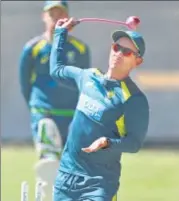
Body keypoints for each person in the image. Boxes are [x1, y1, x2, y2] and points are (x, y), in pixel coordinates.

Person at [50, 18, 149, 201]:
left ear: (138, 61)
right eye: (116, 48)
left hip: (98, 184)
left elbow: (134, 143)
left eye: (126, 52)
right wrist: (60, 34)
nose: (118, 53)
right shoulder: (88, 76)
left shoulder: (133, 99)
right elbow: (57, 70)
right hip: (66, 177)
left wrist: (108, 142)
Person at [19, 1, 91, 200]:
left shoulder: (80, 49)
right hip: (43, 110)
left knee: (71, 167)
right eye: (52, 14)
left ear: (67, 18)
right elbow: (25, 83)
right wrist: (36, 107)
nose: (55, 18)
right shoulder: (33, 48)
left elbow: (84, 83)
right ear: (44, 16)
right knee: (49, 159)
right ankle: (46, 189)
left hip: (70, 113)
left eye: (60, 13)